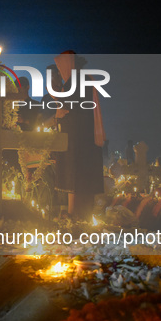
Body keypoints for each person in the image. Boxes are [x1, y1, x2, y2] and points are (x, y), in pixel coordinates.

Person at [51, 51, 104, 221]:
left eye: (60, 68)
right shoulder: (83, 78)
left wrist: (55, 96)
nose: (59, 72)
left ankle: (74, 217)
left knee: (75, 178)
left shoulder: (75, 82)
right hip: (83, 138)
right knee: (80, 180)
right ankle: (78, 216)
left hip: (76, 140)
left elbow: (65, 109)